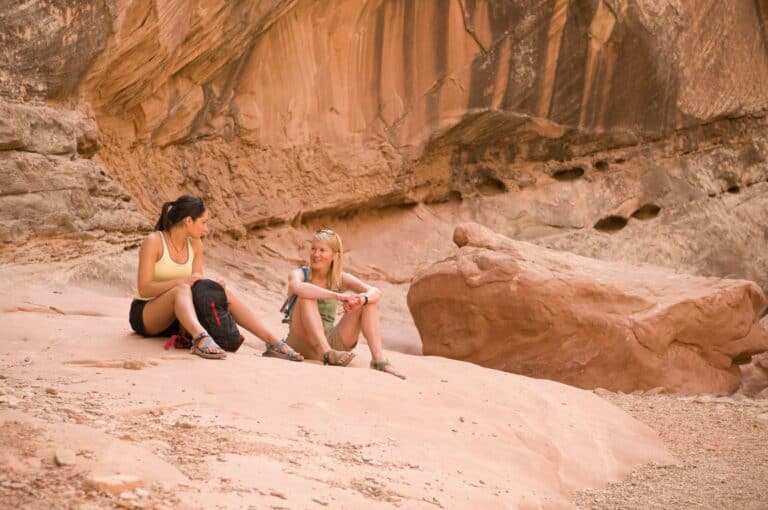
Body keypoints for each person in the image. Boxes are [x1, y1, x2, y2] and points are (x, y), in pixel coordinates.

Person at [129, 195, 303, 361]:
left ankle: (273, 342)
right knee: (181, 289)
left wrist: (212, 288)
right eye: (204, 222)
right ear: (188, 221)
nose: (206, 228)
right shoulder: (154, 241)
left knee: (222, 291)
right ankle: (200, 339)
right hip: (147, 315)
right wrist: (180, 282)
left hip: (178, 320)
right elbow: (144, 288)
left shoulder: (195, 244)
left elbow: (196, 287)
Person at [283, 228, 405, 379]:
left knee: (367, 302)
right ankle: (327, 353)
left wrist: (362, 299)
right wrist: (338, 296)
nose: (316, 254)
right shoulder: (300, 274)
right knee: (306, 295)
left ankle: (378, 360)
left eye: (322, 250)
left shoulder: (339, 278)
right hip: (302, 341)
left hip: (331, 340)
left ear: (335, 255)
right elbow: (296, 287)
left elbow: (375, 291)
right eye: (313, 248)